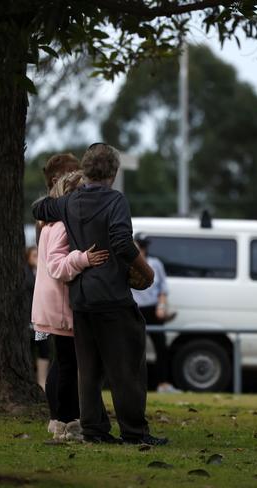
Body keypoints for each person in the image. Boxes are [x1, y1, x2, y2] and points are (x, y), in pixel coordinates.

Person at [33, 142, 167, 446]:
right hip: (112, 296)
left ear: (86, 169)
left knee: (88, 370)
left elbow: (39, 208)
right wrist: (146, 271)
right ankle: (134, 432)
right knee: (127, 368)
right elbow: (122, 242)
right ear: (114, 172)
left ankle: (93, 430)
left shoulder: (69, 203)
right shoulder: (116, 201)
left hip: (81, 300)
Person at [32, 170, 109, 441]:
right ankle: (67, 423)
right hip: (61, 307)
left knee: (61, 362)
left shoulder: (48, 225)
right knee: (68, 365)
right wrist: (84, 258)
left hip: (48, 306)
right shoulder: (64, 225)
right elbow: (57, 266)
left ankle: (57, 419)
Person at [132, 235, 180, 393]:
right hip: (134, 309)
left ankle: (162, 383)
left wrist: (161, 307)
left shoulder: (155, 263)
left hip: (152, 309)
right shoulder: (127, 263)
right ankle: (135, 384)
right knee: (136, 349)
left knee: (161, 347)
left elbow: (162, 288)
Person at [24, 246, 50, 388]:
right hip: (28, 319)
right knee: (28, 347)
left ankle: (42, 382)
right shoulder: (25, 273)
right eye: (34, 255)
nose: (36, 257)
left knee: (43, 348)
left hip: (41, 320)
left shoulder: (43, 272)